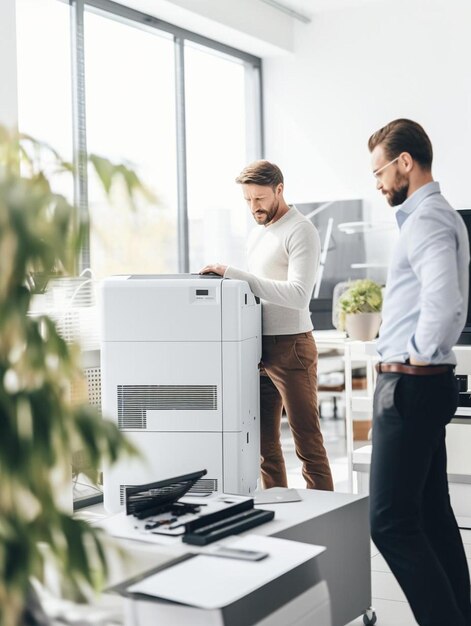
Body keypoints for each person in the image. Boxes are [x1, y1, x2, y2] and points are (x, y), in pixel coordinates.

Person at [368, 119, 471, 626]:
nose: (379, 183)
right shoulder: (431, 216)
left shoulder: (427, 219)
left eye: (380, 171)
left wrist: (413, 359)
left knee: (389, 522)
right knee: (432, 515)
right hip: (419, 383)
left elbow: (445, 304)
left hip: (410, 384)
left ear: (404, 162)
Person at [200, 160, 333, 491]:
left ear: (279, 189)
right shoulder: (257, 234)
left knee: (308, 446)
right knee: (264, 449)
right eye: (247, 200)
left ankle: (327, 522)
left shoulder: (301, 230)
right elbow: (258, 292)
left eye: (259, 199)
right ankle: (281, 515)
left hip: (292, 349)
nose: (253, 207)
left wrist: (235, 274)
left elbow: (299, 295)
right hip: (258, 349)